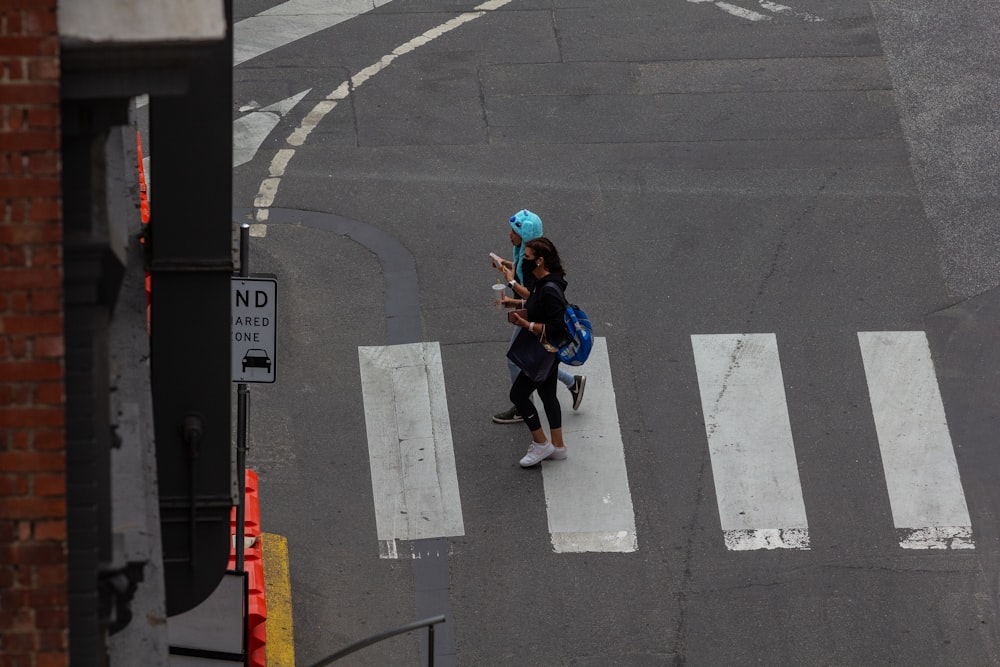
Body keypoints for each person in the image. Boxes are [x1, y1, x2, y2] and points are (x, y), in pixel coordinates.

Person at [491, 210, 585, 424]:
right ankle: (572, 383)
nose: (509, 235)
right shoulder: (529, 253)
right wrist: (504, 265)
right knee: (539, 360)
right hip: (531, 311)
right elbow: (519, 269)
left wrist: (511, 283)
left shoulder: (529, 262)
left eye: (513, 232)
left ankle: (522, 405)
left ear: (524, 237)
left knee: (518, 359)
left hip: (536, 316)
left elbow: (533, 294)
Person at [507, 237, 572, 466]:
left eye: (527, 258)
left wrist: (528, 326)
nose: (524, 262)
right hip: (547, 350)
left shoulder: (550, 290)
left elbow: (557, 327)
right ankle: (559, 446)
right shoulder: (541, 281)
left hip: (543, 350)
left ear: (540, 260)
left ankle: (541, 443)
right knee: (547, 395)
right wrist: (515, 305)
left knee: (518, 395)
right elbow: (536, 305)